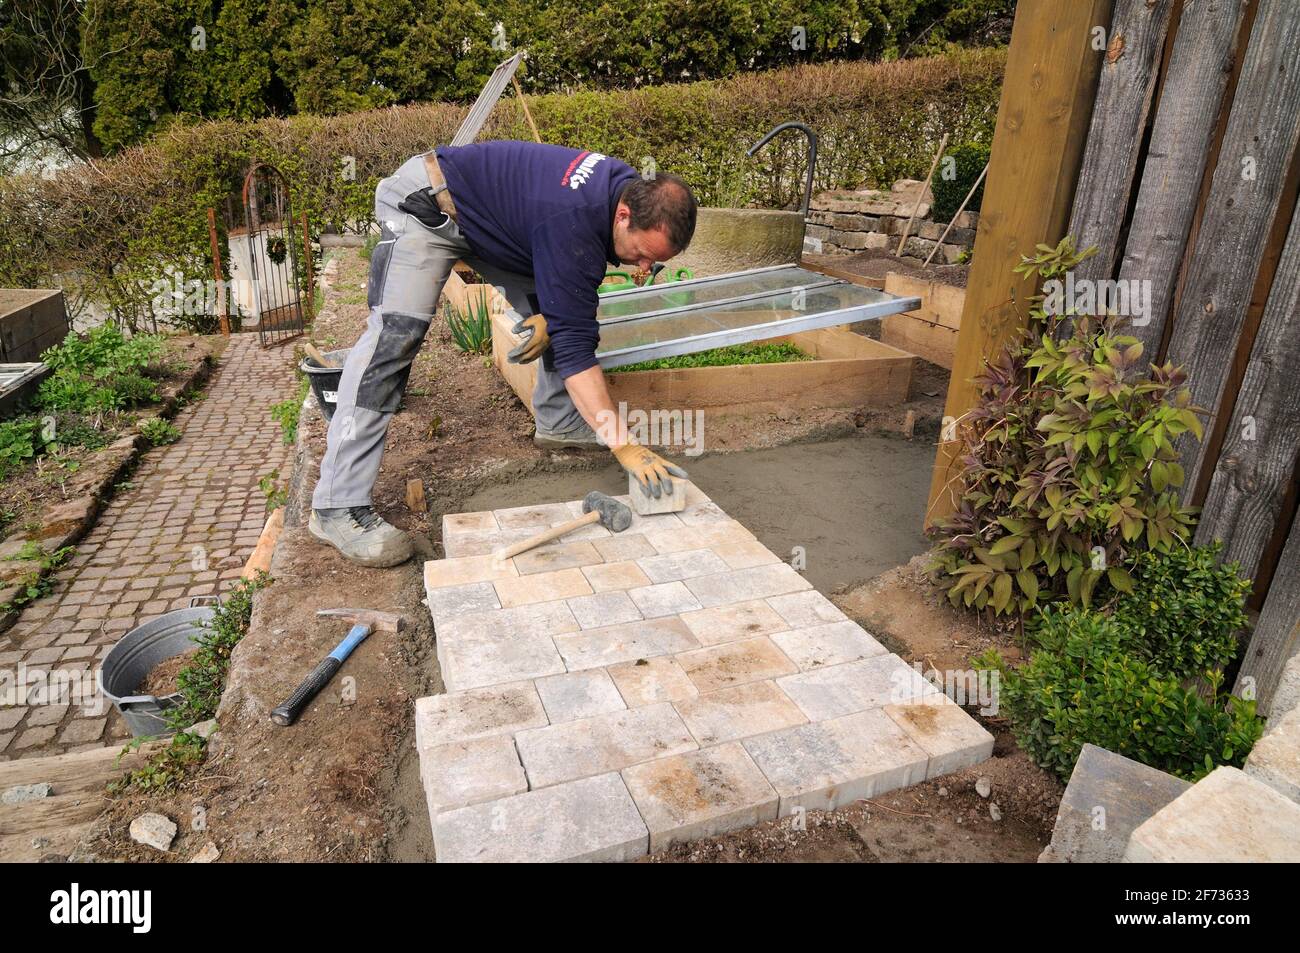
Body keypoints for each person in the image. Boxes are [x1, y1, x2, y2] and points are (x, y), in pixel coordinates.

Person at [309, 141, 698, 567]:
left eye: (653, 263)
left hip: (492, 226)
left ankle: (561, 421)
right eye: (642, 255)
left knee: (560, 312)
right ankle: (336, 505)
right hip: (427, 207)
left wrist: (557, 313)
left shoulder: (621, 192)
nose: (642, 270)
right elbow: (574, 347)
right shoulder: (573, 218)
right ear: (623, 216)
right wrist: (625, 447)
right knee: (394, 338)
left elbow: (574, 303)